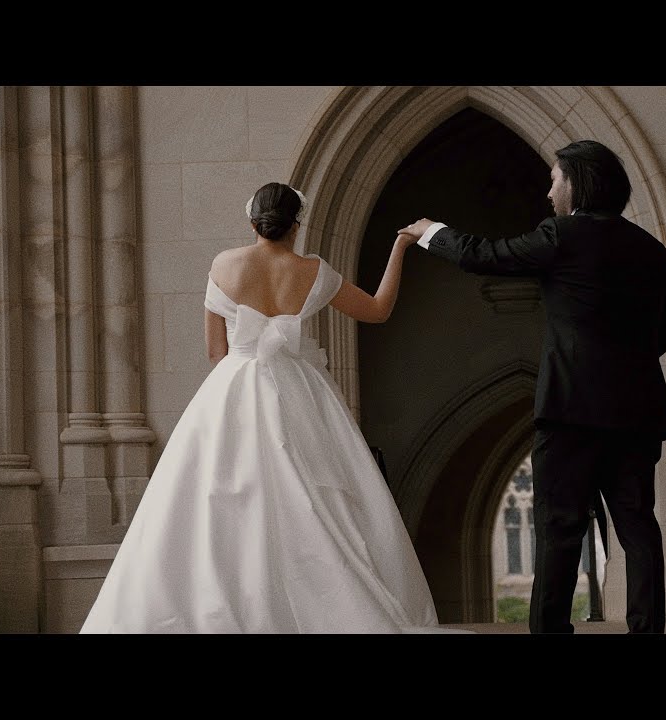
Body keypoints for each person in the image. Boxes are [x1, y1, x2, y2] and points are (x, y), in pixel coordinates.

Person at [82, 182, 458, 633]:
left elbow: (215, 352)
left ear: (252, 221)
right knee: (312, 502)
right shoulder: (313, 270)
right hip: (299, 390)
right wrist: (400, 248)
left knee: (217, 501)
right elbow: (377, 310)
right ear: (296, 224)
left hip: (232, 388)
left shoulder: (224, 264)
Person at [399, 140, 666, 634]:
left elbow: (486, 254)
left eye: (554, 180)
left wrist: (430, 233)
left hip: (572, 410)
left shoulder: (562, 235)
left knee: (559, 526)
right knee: (638, 527)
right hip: (638, 411)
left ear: (577, 181)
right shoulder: (651, 250)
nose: (549, 193)